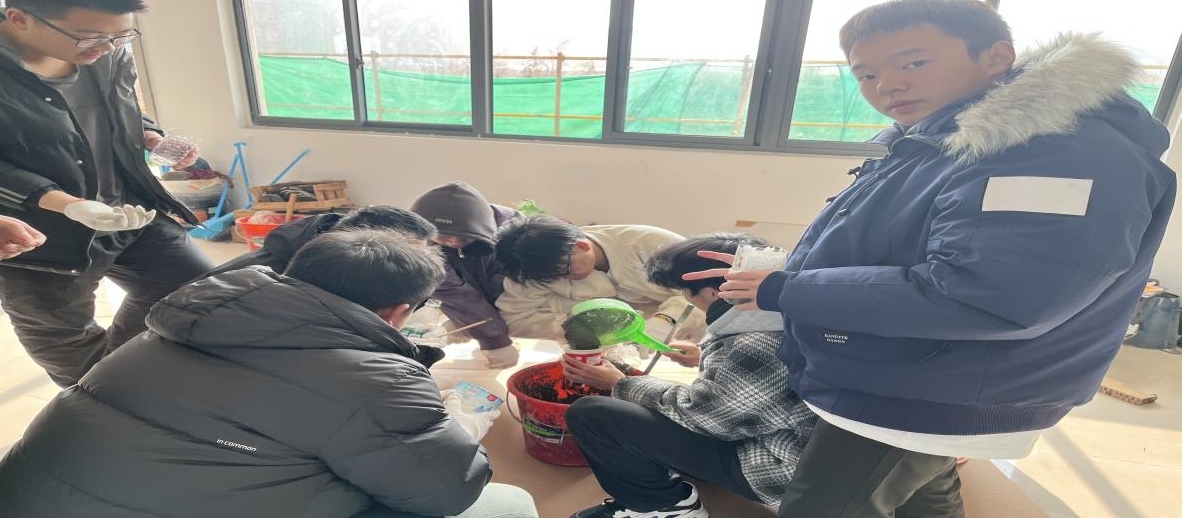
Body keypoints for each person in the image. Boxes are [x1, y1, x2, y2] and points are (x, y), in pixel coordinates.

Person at [685, 1, 1177, 516]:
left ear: (995, 57)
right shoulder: (947, 142)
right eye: (867, 74)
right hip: (918, 374)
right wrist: (788, 274)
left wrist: (787, 290)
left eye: (913, 62)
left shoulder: (1053, 154)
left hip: (933, 389)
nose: (887, 85)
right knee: (922, 495)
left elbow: (988, 295)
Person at [0, 229, 538, 518]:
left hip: (24, 498)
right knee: (506, 505)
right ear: (399, 312)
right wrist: (453, 425)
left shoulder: (172, 327)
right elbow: (447, 491)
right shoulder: (377, 383)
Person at [0, 0, 212, 387]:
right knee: (71, 350)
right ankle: (104, 398)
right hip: (38, 237)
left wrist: (151, 137)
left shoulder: (106, 51)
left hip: (128, 210)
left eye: (121, 36)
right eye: (90, 37)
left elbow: (122, 107)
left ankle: (123, 383)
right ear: (19, 19)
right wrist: (71, 205)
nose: (107, 47)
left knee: (194, 285)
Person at [562, 233, 817, 518]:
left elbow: (706, 418)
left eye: (684, 290)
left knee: (592, 414)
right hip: (785, 440)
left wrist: (619, 382)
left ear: (712, 293)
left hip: (776, 466)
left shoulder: (753, 343)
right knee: (653, 397)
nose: (684, 297)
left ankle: (665, 507)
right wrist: (702, 355)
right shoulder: (782, 316)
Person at [494, 214, 707, 345]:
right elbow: (515, 318)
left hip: (689, 333)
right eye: (551, 278)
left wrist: (661, 324)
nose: (562, 279)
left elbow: (702, 293)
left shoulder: (650, 244)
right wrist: (569, 328)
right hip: (613, 344)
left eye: (565, 271)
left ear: (581, 246)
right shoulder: (534, 265)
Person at [411, 181, 523, 368]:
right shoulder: (420, 246)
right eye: (443, 236)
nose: (453, 241)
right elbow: (454, 294)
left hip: (514, 300)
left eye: (464, 236)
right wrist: (493, 338)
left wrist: (494, 339)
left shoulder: (514, 230)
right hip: (472, 303)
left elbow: (518, 287)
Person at [204, 205, 437, 277]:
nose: (416, 264)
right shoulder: (287, 278)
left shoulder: (322, 240)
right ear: (367, 246)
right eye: (412, 256)